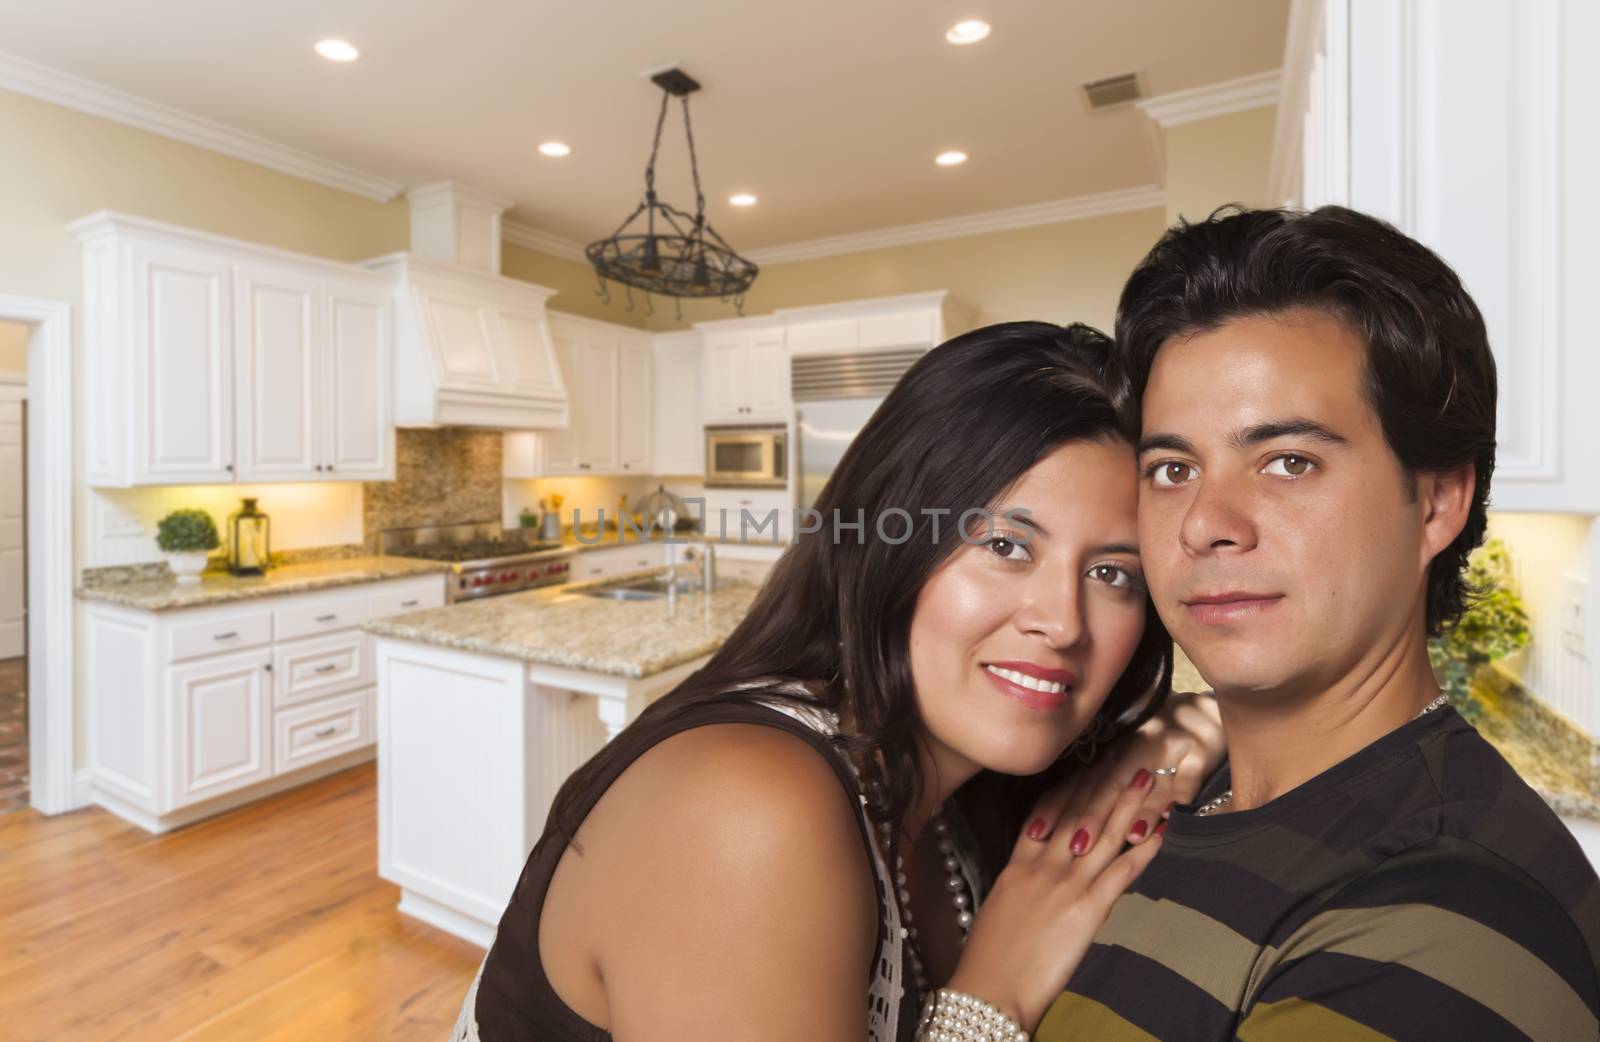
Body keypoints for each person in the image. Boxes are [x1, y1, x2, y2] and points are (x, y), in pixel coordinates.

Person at [448, 321, 1227, 1041]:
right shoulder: (743, 808)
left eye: (1112, 574)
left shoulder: (956, 790)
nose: (1063, 623)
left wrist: (1167, 735)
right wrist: (993, 1000)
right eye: (1006, 546)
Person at [1039, 206, 1600, 1041]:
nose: (1205, 522)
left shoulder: (1440, 914)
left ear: (1438, 500)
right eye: (1172, 467)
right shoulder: (1188, 797)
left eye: (1289, 462)